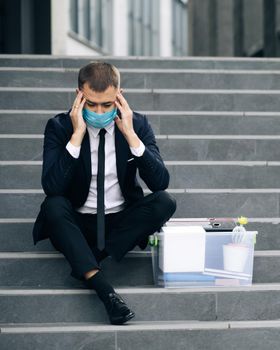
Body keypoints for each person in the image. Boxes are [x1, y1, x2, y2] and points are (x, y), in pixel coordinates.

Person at [32, 62, 176, 325]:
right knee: (52, 206)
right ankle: (105, 290)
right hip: (77, 221)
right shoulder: (60, 127)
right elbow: (52, 187)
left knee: (165, 202)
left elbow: (160, 183)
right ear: (79, 95)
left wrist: (131, 136)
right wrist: (76, 136)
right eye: (92, 104)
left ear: (119, 96)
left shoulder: (138, 124)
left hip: (118, 222)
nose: (99, 111)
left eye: (107, 105)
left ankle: (88, 262)